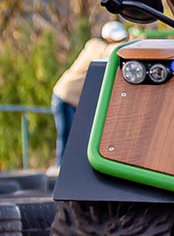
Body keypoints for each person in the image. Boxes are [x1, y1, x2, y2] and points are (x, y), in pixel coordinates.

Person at [50, 21, 129, 162]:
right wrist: (132, 44)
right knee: (65, 134)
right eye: (117, 40)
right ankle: (60, 166)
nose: (119, 42)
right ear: (107, 37)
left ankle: (68, 165)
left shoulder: (104, 50)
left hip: (74, 101)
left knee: (76, 136)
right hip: (64, 96)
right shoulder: (94, 45)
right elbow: (110, 51)